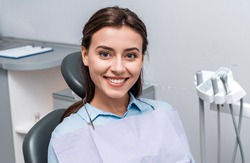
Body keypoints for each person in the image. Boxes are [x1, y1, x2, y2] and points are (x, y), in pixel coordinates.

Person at [48, 6, 195, 163]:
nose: (118, 68)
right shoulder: (67, 135)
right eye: (105, 54)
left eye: (130, 55)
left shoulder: (162, 113)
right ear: (85, 55)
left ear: (141, 60)